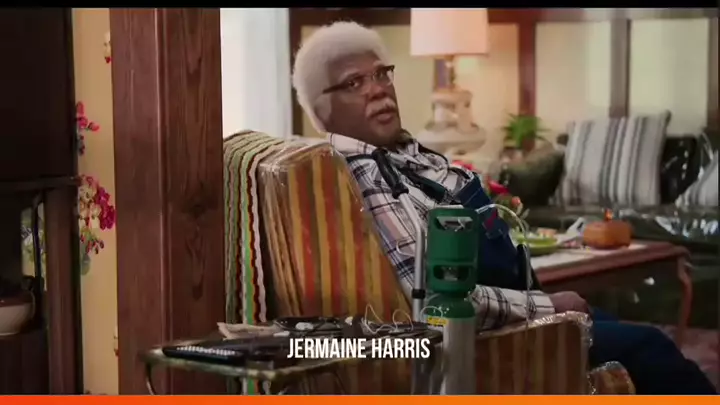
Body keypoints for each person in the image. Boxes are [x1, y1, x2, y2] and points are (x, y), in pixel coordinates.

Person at [291, 21, 716, 395]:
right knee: (652, 349)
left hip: (522, 306)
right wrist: (551, 307)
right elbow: (436, 302)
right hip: (490, 338)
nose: (378, 88)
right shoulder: (366, 174)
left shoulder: (406, 152)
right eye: (354, 83)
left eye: (381, 73)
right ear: (320, 111)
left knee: (632, 337)